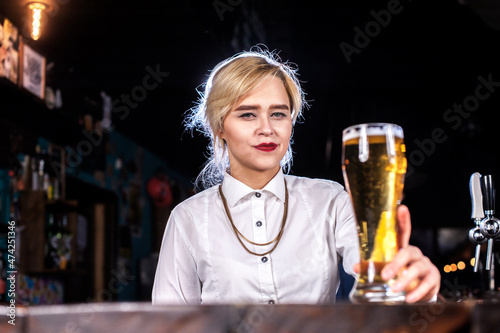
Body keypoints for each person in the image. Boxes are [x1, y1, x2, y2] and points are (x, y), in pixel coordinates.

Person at [152, 46, 440, 305]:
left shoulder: (330, 200)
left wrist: (402, 280)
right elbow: (169, 323)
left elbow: (371, 282)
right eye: (248, 114)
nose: (267, 128)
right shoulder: (187, 218)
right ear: (220, 128)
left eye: (278, 114)